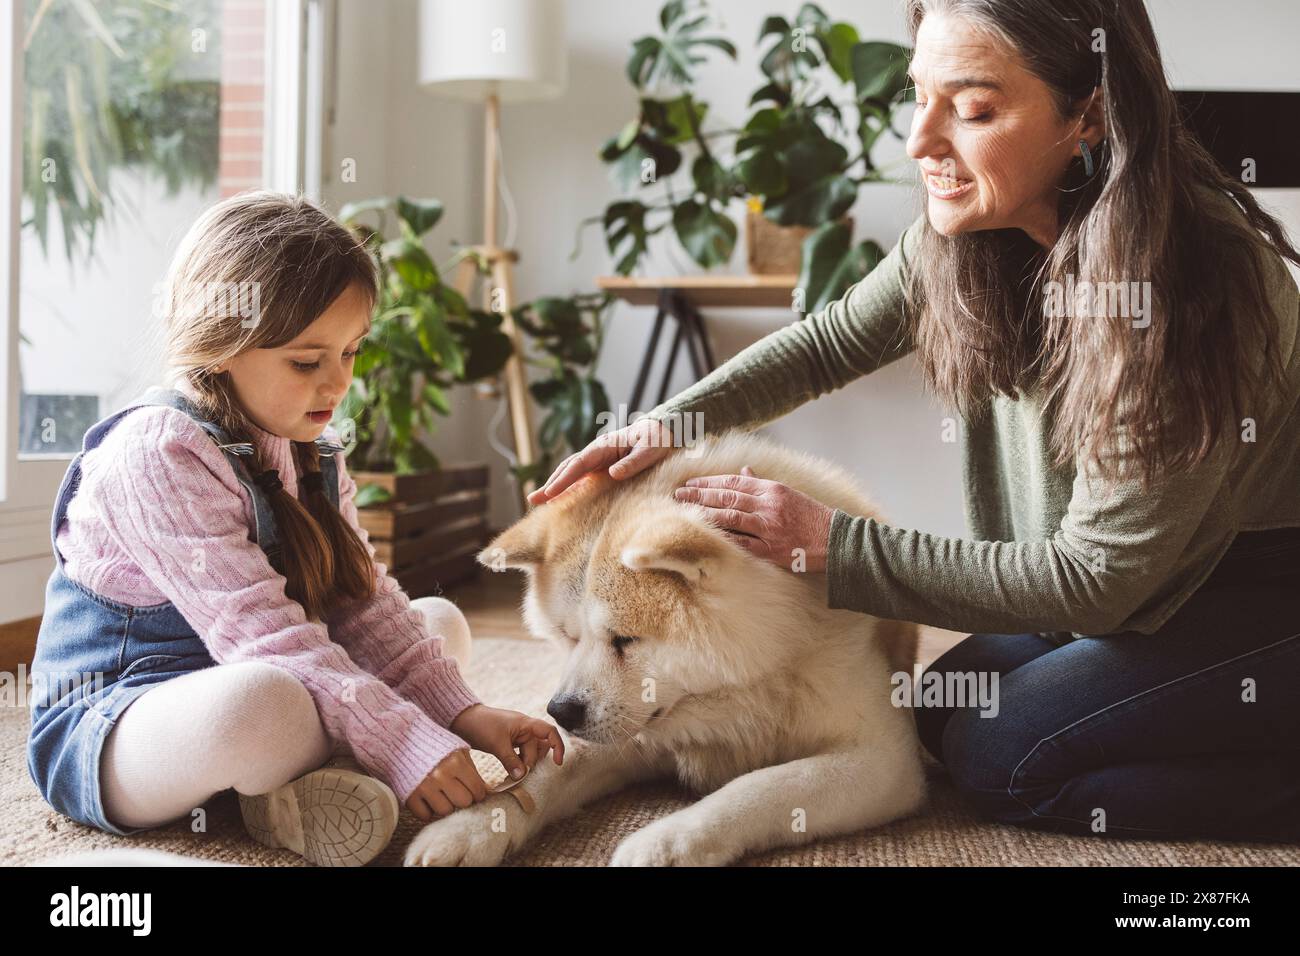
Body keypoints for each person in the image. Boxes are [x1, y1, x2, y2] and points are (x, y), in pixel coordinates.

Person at [527, 0, 1300, 843]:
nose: (919, 141)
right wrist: (666, 426)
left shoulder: (1188, 291)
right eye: (918, 94)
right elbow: (826, 344)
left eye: (971, 109)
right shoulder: (968, 234)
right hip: (1134, 597)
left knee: (1007, 757)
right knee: (934, 710)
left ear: (1091, 114)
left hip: (1256, 595)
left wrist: (833, 545)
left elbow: (1095, 581)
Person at [27, 190, 563, 866]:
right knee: (263, 703)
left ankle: (287, 794)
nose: (338, 383)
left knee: (438, 623)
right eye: (308, 362)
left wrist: (463, 714)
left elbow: (361, 601)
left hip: (266, 673)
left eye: (352, 351)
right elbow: (265, 640)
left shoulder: (309, 443)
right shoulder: (158, 452)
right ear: (220, 344)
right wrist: (403, 740)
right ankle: (316, 766)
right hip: (122, 726)